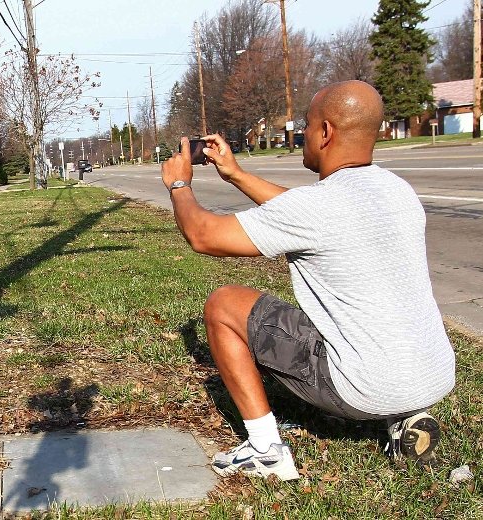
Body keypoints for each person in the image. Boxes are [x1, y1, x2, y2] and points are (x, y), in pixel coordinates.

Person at [161, 81, 455, 481]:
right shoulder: (396, 190)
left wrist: (179, 185)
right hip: (433, 377)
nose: (302, 134)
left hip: (361, 388)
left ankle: (265, 449)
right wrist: (236, 175)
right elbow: (302, 212)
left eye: (308, 124)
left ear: (326, 132)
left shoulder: (316, 208)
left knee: (224, 304)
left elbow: (203, 235)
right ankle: (401, 420)